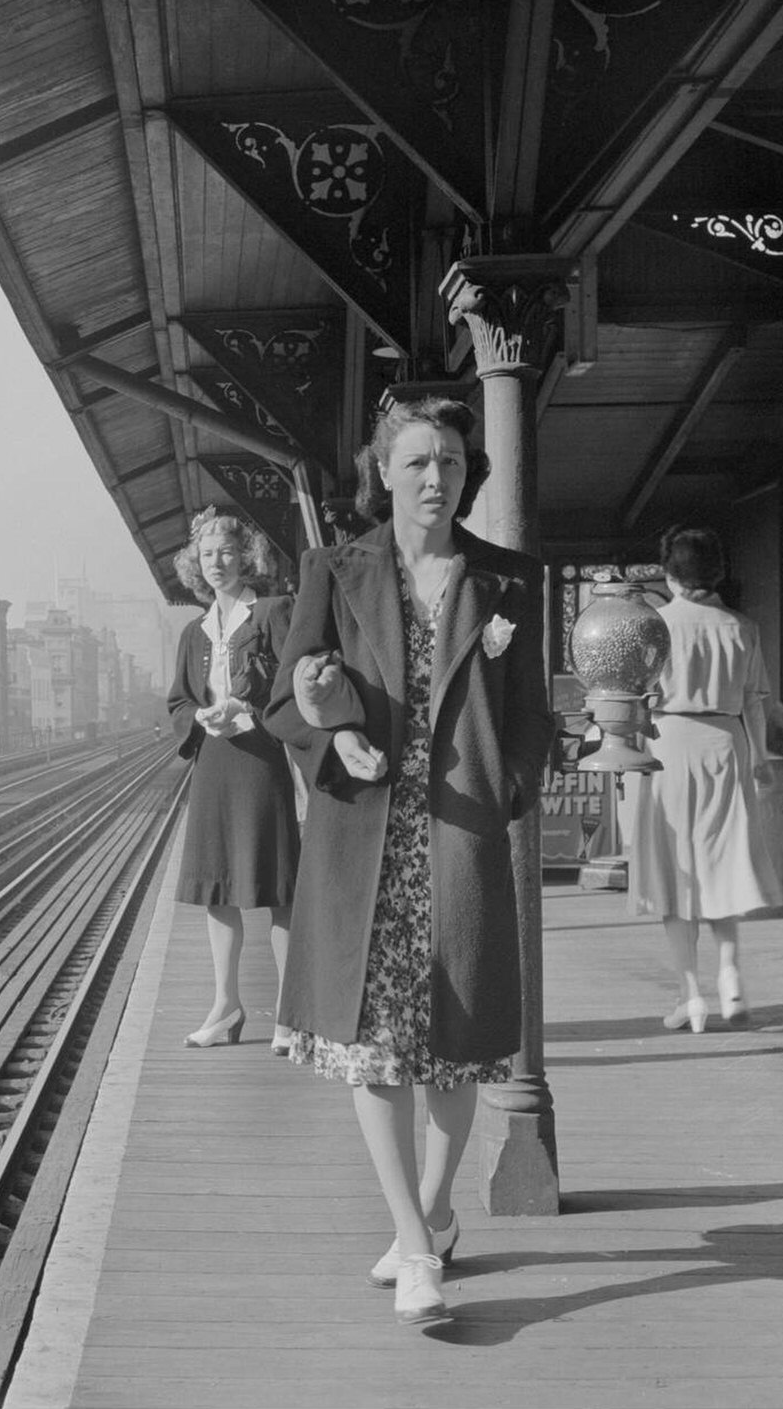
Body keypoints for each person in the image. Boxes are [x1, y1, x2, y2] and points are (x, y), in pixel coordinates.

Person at [264, 397, 554, 1327]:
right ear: (382, 472)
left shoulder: (508, 581)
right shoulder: (332, 569)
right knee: (376, 1050)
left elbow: (529, 715)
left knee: (457, 1052)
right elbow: (288, 697)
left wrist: (511, 783)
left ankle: (427, 1213)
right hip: (366, 844)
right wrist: (330, 740)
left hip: (462, 839)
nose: (439, 478)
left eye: (456, 463)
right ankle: (420, 1248)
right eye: (420, 461)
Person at [628, 525, 782, 1034]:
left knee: (676, 875)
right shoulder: (742, 627)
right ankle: (732, 976)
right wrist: (759, 756)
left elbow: (637, 700)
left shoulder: (656, 626)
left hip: (669, 743)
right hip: (726, 741)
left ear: (670, 573)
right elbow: (757, 702)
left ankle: (690, 995)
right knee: (723, 863)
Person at [168, 506, 300, 1052]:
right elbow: (178, 700)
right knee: (217, 890)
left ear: (246, 556)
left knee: (275, 890)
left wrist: (248, 707)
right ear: (195, 565)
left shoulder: (272, 613)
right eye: (206, 555)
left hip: (260, 759)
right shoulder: (193, 632)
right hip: (214, 766)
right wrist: (198, 719)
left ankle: (292, 1017)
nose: (216, 562)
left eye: (226, 551)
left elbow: (294, 684)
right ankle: (225, 1007)